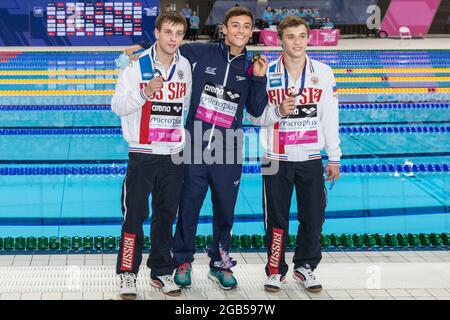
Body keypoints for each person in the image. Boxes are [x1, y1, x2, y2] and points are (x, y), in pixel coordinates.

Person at [123, 6, 269, 290]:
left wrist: (260, 78)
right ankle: (183, 260)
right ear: (224, 29)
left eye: (246, 26)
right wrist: (142, 48)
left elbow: (256, 108)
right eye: (235, 25)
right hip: (193, 145)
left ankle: (220, 263)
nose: (241, 31)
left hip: (228, 147)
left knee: (225, 210)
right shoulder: (200, 54)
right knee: (188, 207)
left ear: (252, 32)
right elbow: (168, 48)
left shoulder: (252, 67)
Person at [247, 15, 341, 293]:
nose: (297, 42)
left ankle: (306, 267)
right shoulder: (267, 73)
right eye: (290, 37)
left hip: (311, 157)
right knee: (276, 218)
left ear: (308, 38)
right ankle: (275, 270)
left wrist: (334, 156)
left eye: (301, 36)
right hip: (276, 158)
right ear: (280, 40)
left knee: (313, 216)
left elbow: (329, 117)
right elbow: (254, 116)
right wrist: (277, 111)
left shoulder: (323, 72)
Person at [111, 11, 192, 300]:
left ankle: (160, 271)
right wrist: (144, 93)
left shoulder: (184, 66)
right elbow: (117, 106)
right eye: (168, 32)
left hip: (172, 155)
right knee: (134, 215)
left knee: (166, 215)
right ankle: (127, 274)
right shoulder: (135, 66)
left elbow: (184, 107)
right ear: (157, 33)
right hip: (143, 154)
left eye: (178, 33)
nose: (173, 38)